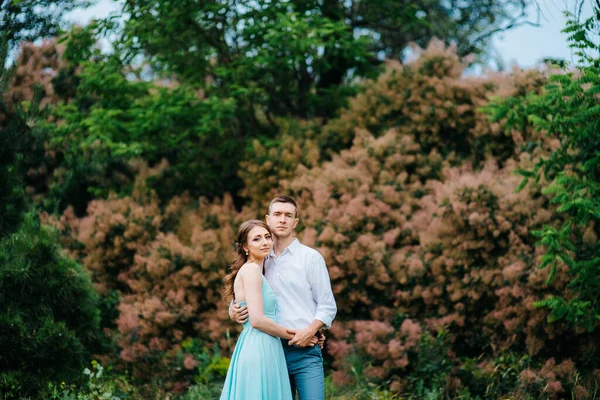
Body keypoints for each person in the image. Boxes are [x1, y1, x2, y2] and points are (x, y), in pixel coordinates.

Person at [230, 196, 337, 400]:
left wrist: (311, 331)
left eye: (288, 215)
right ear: (268, 219)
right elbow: (245, 295)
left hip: (305, 352)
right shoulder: (258, 258)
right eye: (277, 214)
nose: (282, 220)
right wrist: (232, 309)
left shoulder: (310, 258)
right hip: (270, 351)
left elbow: (327, 306)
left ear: (295, 222)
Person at [220, 219, 318, 400]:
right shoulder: (252, 271)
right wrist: (297, 335)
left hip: (264, 345)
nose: (265, 242)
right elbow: (257, 320)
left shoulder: (258, 270)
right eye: (256, 239)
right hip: (260, 346)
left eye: (267, 237)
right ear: (245, 247)